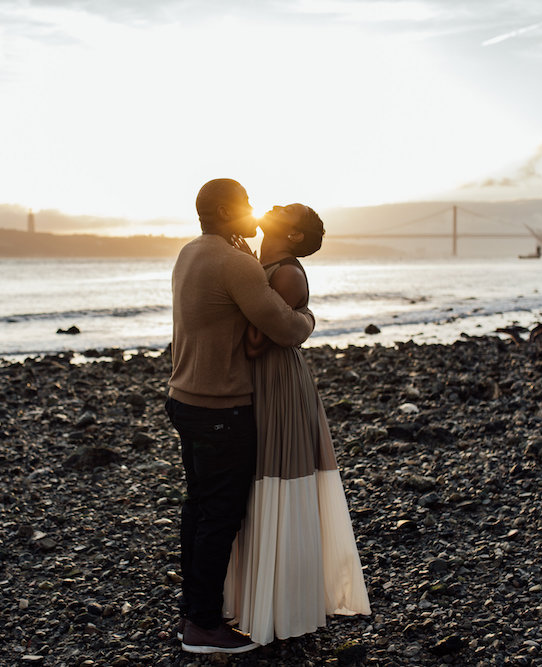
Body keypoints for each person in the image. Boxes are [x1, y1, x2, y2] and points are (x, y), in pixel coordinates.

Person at [166, 179, 317, 654]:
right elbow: (285, 327)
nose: (256, 209)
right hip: (220, 407)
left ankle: (194, 611)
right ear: (230, 211)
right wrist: (310, 317)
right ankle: (204, 625)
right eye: (247, 204)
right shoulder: (238, 264)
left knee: (198, 509)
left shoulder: (191, 252)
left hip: (184, 399)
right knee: (221, 516)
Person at [222, 203, 371, 646]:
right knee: (255, 480)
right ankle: (255, 594)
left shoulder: (286, 273)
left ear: (293, 237)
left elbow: (252, 343)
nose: (272, 207)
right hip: (261, 381)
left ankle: (282, 603)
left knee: (278, 479)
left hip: (277, 382)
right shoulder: (259, 264)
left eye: (283, 211)